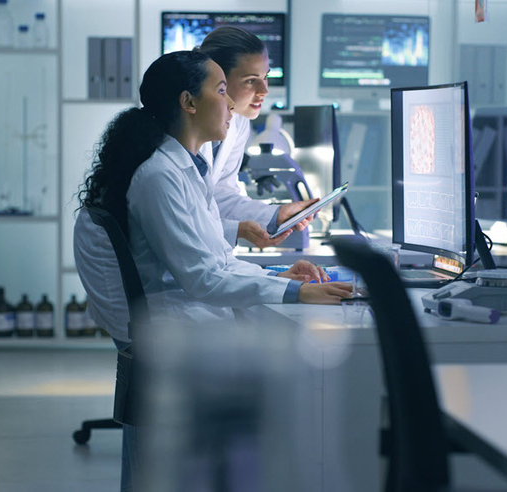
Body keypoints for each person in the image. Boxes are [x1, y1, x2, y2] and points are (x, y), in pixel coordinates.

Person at [74, 50, 351, 491]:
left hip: (186, 315)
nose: (232, 104)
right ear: (189, 102)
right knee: (311, 368)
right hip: (180, 327)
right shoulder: (159, 176)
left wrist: (278, 279)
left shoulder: (184, 167)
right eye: (223, 90)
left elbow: (214, 260)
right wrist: (298, 294)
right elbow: (202, 277)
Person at [197, 26, 321, 250]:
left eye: (266, 77)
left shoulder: (239, 121)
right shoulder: (180, 135)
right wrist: (239, 231)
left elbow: (221, 195)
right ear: (217, 81)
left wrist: (277, 215)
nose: (264, 90)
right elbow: (188, 220)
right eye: (251, 80)